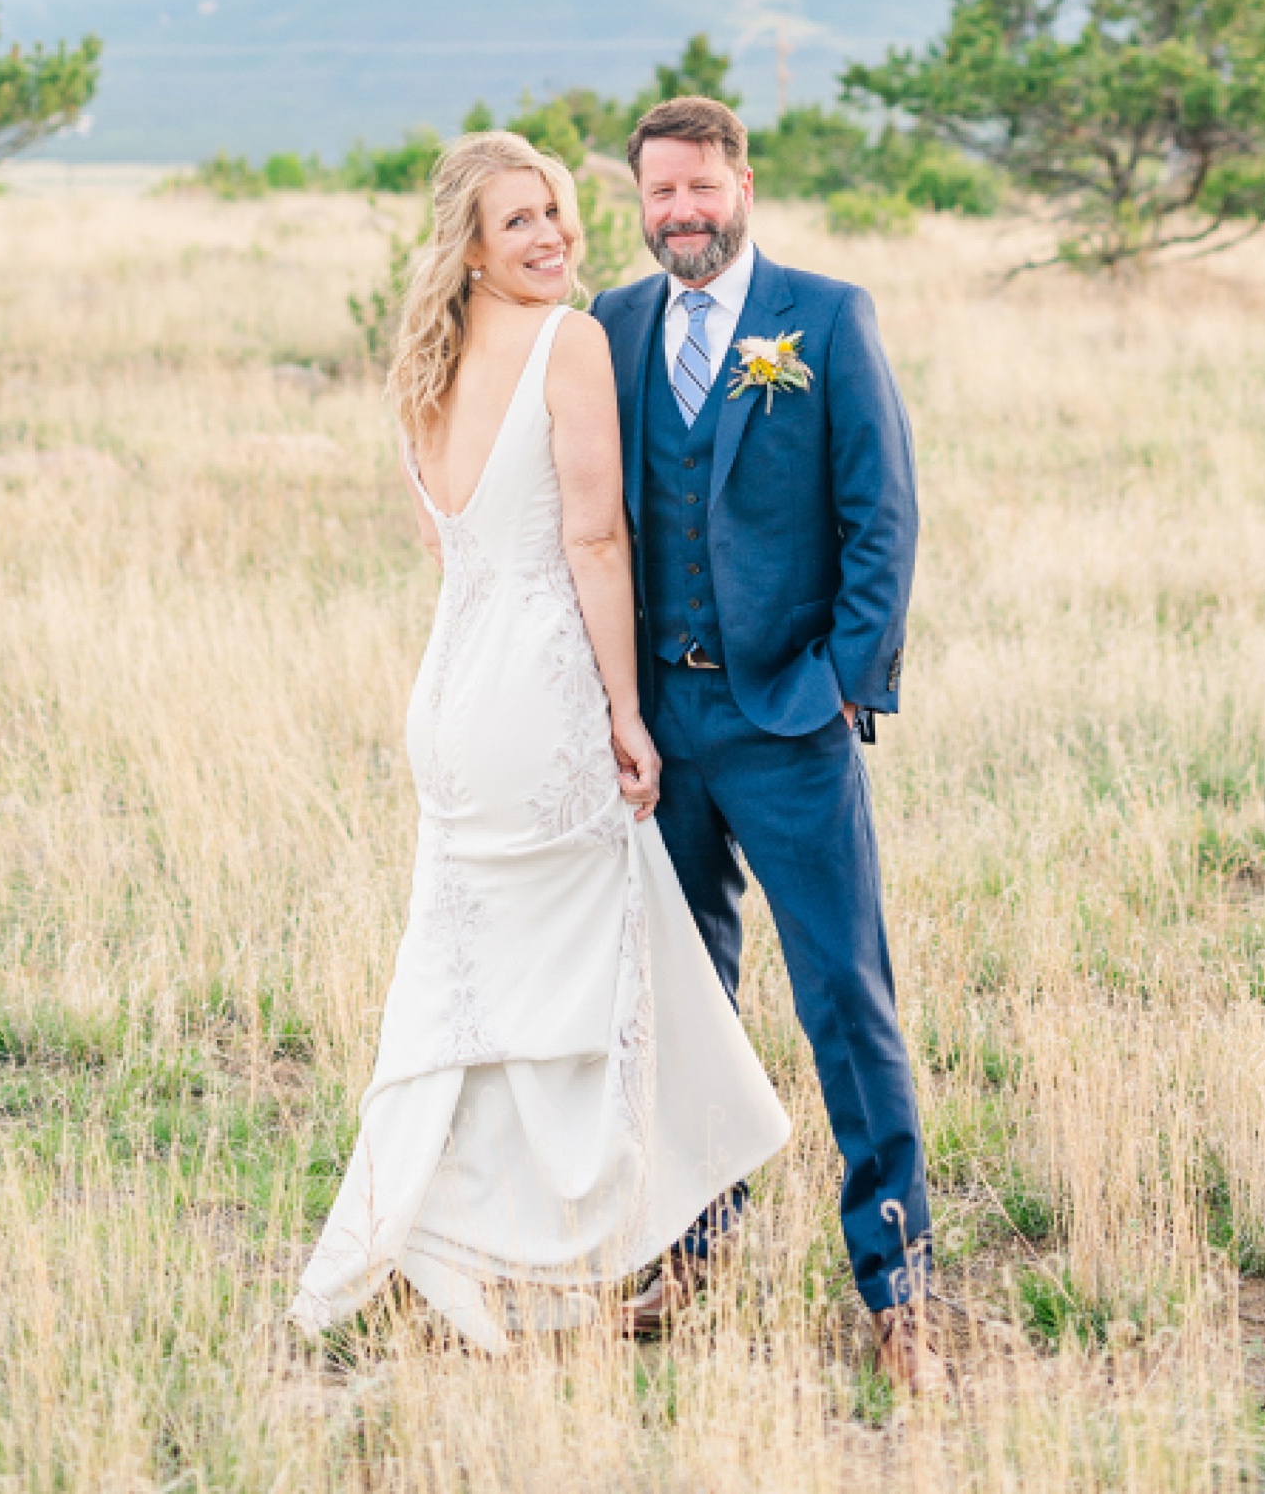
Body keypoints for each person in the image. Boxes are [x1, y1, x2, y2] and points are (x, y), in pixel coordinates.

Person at [290, 130, 788, 1353]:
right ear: (469, 243)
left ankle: (429, 1231)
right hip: (540, 690)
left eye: (560, 210)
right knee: (580, 972)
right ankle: (550, 1240)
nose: (554, 234)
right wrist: (622, 709)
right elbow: (594, 540)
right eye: (519, 219)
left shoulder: (421, 365)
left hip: (451, 695)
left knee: (466, 979)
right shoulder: (570, 343)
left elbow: (444, 550)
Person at [591, 94, 939, 1392]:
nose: (681, 213)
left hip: (789, 719)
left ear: (743, 181)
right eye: (659, 194)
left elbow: (881, 510)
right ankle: (695, 1240)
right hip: (658, 730)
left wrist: (848, 680)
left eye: (701, 188)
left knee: (846, 994)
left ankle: (896, 1277)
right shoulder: (611, 328)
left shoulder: (827, 316)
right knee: (681, 1001)